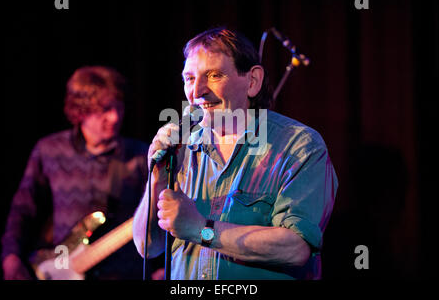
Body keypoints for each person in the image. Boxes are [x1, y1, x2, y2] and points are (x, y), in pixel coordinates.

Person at [133, 27, 338, 280]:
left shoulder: (298, 146)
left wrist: (200, 230)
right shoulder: (181, 148)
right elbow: (147, 247)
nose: (197, 92)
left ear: (252, 81)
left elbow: (295, 248)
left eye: (214, 75)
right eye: (189, 78)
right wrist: (157, 178)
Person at [2, 65, 150, 280]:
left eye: (119, 108)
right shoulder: (49, 150)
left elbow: (159, 218)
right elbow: (23, 209)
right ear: (81, 111)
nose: (115, 117)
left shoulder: (141, 156)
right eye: (105, 110)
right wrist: (11, 256)